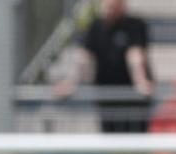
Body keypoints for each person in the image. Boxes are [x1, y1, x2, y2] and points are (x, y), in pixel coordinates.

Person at [55, 0, 153, 133]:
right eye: (106, 6)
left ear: (122, 6)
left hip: (133, 99)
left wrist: (141, 82)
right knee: (110, 138)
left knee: (136, 140)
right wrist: (70, 82)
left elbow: (135, 56)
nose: (108, 10)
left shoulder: (135, 25)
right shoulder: (96, 26)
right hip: (107, 96)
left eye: (112, 7)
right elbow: (84, 57)